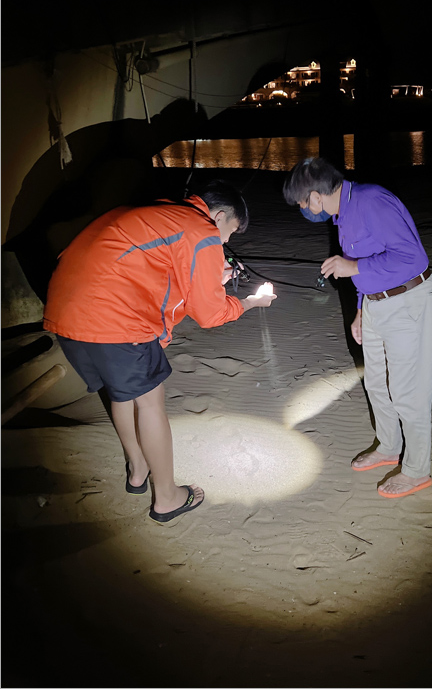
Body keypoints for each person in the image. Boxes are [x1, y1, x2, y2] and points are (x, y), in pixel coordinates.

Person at [43, 178, 276, 522]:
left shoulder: (160, 212)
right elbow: (210, 314)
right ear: (221, 215)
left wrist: (212, 278)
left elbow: (154, 275)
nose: (226, 241)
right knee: (150, 402)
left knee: (122, 395)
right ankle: (166, 497)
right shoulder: (202, 230)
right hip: (113, 321)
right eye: (231, 231)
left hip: (65, 316)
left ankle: (138, 469)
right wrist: (248, 303)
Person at [283, 158, 432, 499]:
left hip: (408, 298)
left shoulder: (371, 201)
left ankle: (416, 470)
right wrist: (360, 311)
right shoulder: (343, 215)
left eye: (301, 203)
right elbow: (362, 268)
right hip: (376, 302)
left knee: (407, 390)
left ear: (314, 196)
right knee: (377, 382)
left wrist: (351, 265)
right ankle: (388, 447)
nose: (303, 210)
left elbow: (412, 259)